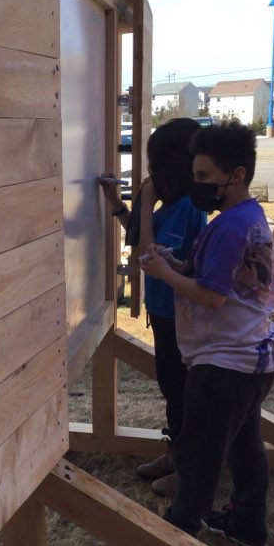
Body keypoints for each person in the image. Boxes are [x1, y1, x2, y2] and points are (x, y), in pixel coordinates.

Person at [108, 120, 274, 546]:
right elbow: (214, 279)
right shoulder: (246, 219)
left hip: (224, 363)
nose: (198, 184)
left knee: (199, 460)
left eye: (205, 177)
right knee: (244, 447)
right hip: (253, 359)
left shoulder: (230, 227)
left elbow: (211, 297)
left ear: (236, 174)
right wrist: (175, 263)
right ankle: (247, 523)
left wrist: (164, 274)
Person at [99, 118, 206, 497]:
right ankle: (174, 453)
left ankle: (188, 469)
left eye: (154, 161)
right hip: (163, 313)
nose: (149, 170)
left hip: (180, 316)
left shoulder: (187, 208)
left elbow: (149, 257)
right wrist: (118, 204)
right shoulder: (173, 204)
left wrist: (145, 202)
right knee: (170, 385)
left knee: (180, 390)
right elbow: (144, 236)